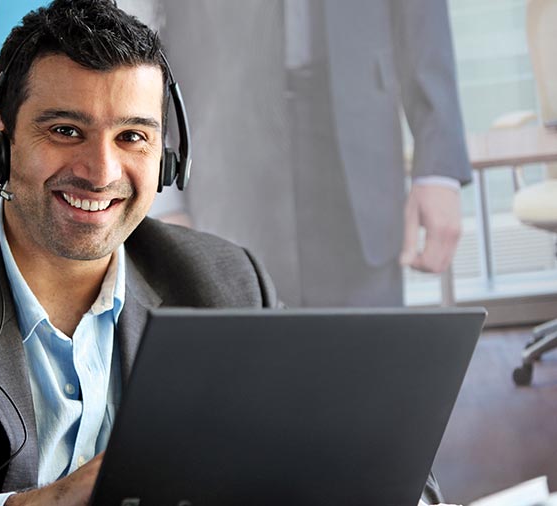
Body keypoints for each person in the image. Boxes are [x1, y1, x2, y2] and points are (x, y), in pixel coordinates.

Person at [0, 1, 447, 504]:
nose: (102, 171)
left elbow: (355, 467)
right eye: (66, 130)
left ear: (165, 157)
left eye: (133, 136)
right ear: (0, 135)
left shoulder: (225, 281)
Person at [167, 0, 472, 307]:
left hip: (361, 150)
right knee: (240, 342)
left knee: (368, 345)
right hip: (225, 147)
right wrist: (165, 190)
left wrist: (438, 169)